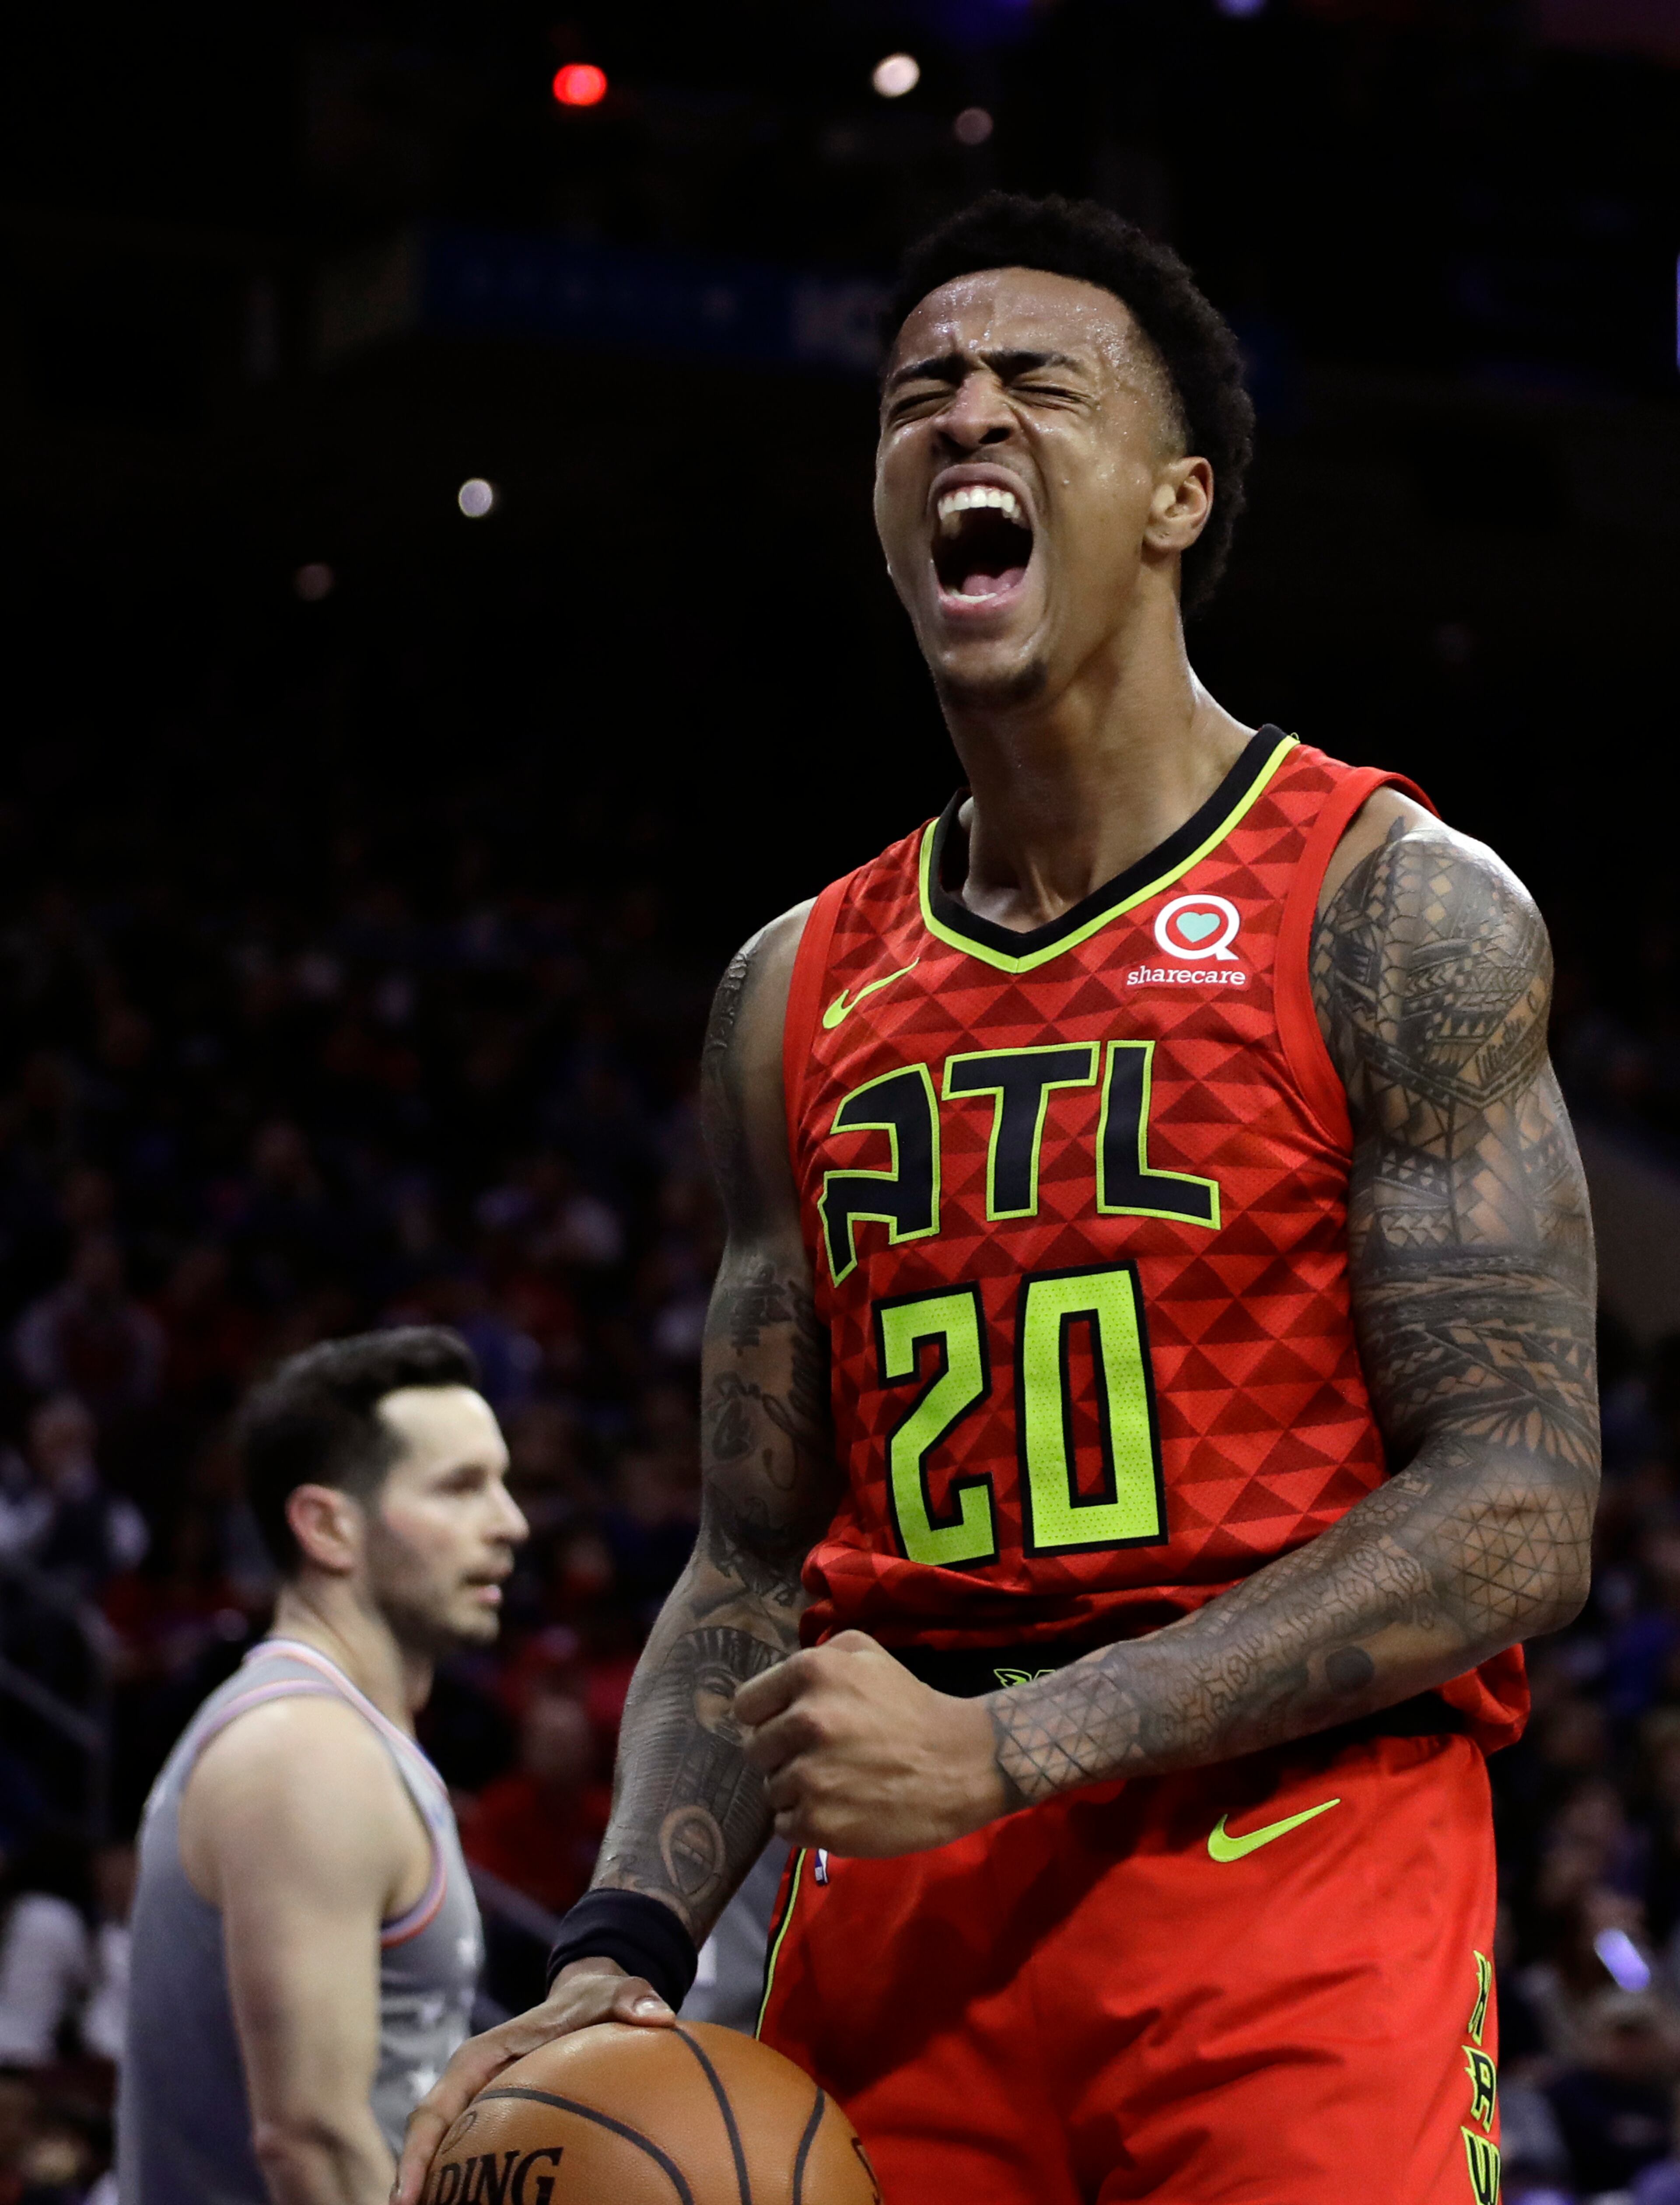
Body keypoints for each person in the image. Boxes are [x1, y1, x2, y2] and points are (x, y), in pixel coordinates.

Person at [396, 192, 1600, 2205]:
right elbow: (751, 1554)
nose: (964, 416)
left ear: (1176, 498)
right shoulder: (795, 986)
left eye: (1037, 384)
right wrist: (619, 1947)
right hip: (904, 1881)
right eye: (915, 397)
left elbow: (1514, 1508)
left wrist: (1022, 1743)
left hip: (1286, 1867)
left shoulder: (1388, 905)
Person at [120, 1327, 527, 2205]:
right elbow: (312, 2140)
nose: (510, 1523)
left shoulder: (332, 1735)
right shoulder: (309, 1756)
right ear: (328, 1526)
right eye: (461, 1488)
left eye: (501, 1483)